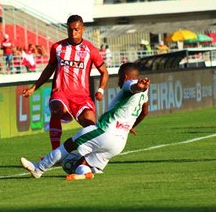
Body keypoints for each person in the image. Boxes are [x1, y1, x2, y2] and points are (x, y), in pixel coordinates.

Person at [21, 63, 150, 179]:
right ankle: (85, 173)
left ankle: (39, 168)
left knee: (69, 145)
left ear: (126, 77)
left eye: (119, 77)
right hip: (119, 143)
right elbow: (144, 112)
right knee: (83, 163)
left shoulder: (128, 84)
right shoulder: (145, 92)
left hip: (105, 132)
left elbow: (133, 87)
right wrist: (130, 126)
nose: (118, 82)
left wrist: (138, 87)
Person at [22, 15, 109, 150]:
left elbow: (104, 71)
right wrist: (34, 87)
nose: (73, 33)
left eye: (76, 30)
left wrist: (101, 89)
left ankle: (90, 156)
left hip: (82, 96)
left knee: (91, 125)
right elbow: (49, 69)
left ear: (83, 29)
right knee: (56, 110)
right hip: (60, 93)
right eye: (70, 30)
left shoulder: (90, 49)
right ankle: (55, 153)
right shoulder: (57, 47)